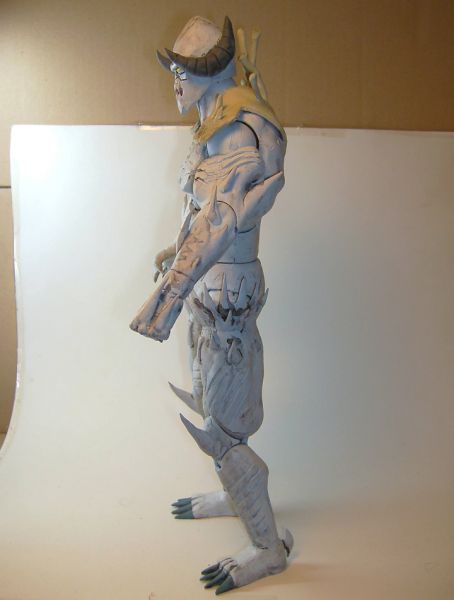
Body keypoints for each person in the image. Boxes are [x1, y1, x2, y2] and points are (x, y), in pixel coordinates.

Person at [130, 15, 293, 594]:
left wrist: (168, 295)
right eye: (174, 70)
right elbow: (200, 214)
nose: (175, 83)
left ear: (213, 74)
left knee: (224, 427)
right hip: (213, 294)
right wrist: (174, 257)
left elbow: (220, 221)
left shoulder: (235, 136)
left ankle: (268, 548)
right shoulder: (217, 126)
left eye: (183, 72)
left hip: (225, 301)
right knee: (211, 406)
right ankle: (235, 493)